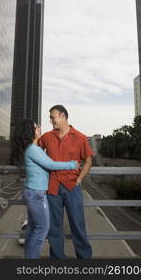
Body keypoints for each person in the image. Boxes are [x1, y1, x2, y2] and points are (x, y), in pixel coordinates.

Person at [14, 119, 79, 259]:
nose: (39, 127)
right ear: (29, 131)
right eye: (36, 126)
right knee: (43, 228)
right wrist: (72, 164)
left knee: (32, 228)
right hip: (36, 193)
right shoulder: (33, 149)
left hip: (33, 191)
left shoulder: (33, 148)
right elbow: (51, 164)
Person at [39, 105, 93, 259]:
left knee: (78, 226)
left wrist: (80, 179)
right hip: (53, 188)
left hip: (72, 187)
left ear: (62, 116)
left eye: (52, 117)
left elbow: (88, 161)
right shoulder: (48, 137)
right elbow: (36, 149)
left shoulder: (80, 137)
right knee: (54, 229)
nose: (50, 120)